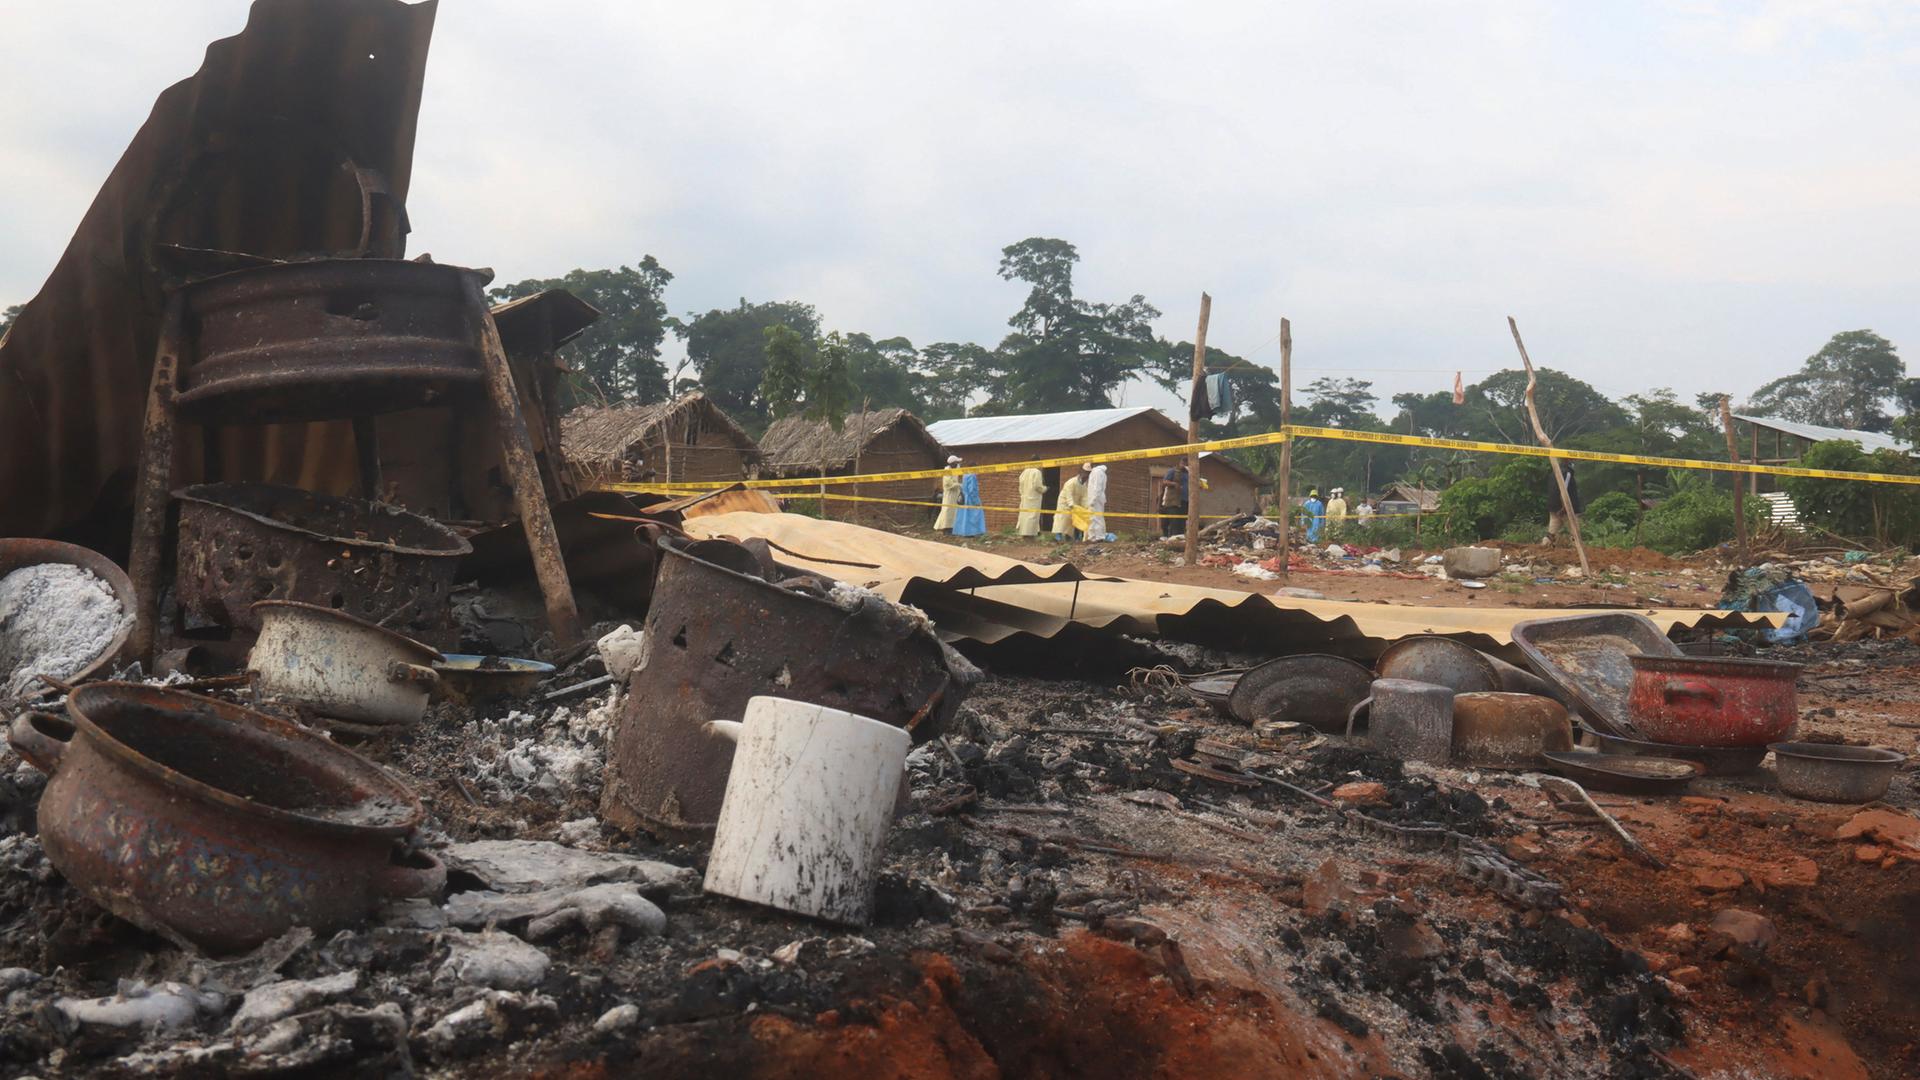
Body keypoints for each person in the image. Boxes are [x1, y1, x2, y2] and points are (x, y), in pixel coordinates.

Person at [1544, 463, 1583, 542]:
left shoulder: (1554, 472)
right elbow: (1563, 490)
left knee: (1551, 532)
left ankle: (1544, 546)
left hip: (1553, 507)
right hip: (1565, 508)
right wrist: (1564, 507)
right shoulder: (1567, 473)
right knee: (1575, 532)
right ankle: (1576, 549)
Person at [1053, 466, 1088, 540]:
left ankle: (1068, 537)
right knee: (1061, 519)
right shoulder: (1071, 482)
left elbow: (1084, 498)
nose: (1086, 478)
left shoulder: (1084, 486)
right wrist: (1071, 504)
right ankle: (1058, 536)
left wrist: (1086, 507)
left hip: (1074, 505)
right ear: (1081, 474)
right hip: (1064, 503)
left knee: (1070, 522)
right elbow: (1068, 494)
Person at [1157, 462, 1190, 538]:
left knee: (1182, 521)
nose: (1186, 467)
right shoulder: (1173, 471)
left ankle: (1178, 538)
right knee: (1173, 521)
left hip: (1185, 501)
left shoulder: (1190, 474)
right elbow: (1165, 482)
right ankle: (1170, 537)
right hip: (1173, 501)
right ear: (1181, 463)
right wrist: (1174, 484)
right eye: (1185, 464)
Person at [1015, 467, 1048, 537]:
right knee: (1032, 516)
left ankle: (1024, 533)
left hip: (1025, 498)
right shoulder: (1037, 472)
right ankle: (1030, 535)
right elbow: (1037, 486)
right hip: (1034, 499)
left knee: (1024, 515)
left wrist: (1022, 494)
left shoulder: (1024, 472)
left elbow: (1020, 485)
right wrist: (1045, 489)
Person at [933, 455, 963, 531]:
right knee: (948, 510)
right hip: (949, 495)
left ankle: (953, 527)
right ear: (952, 464)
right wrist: (959, 485)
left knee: (954, 511)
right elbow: (949, 484)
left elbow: (960, 469)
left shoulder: (955, 469)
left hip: (955, 494)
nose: (957, 464)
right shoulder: (947, 472)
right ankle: (946, 528)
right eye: (956, 463)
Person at [952, 471, 986, 537]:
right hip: (970, 498)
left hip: (965, 497)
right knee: (974, 515)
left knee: (964, 516)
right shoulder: (972, 476)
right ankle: (973, 532)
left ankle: (964, 532)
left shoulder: (965, 475)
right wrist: (976, 501)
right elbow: (972, 490)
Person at [1084, 463, 1109, 540]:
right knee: (1093, 517)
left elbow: (1097, 487)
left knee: (1097, 517)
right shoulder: (1099, 472)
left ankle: (1099, 536)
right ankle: (1093, 537)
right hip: (1096, 498)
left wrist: (1093, 499)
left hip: (1096, 499)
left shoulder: (1097, 472)